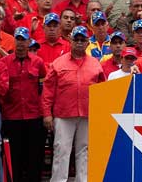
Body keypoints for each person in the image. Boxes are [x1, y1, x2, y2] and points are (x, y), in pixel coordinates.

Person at [42, 26, 106, 182]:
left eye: (82, 40)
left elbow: (102, 90)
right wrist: (47, 114)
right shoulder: (58, 63)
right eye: (76, 39)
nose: (79, 42)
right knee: (61, 150)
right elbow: (48, 91)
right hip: (63, 114)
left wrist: (100, 114)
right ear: (70, 41)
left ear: (87, 42)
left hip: (87, 114)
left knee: (84, 152)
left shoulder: (95, 64)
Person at [1, 26, 47, 182]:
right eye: (18, 39)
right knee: (14, 158)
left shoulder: (38, 62)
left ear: (29, 42)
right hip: (11, 117)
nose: (20, 43)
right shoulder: (4, 62)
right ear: (14, 41)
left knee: (34, 158)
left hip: (34, 117)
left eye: (23, 40)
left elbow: (44, 88)